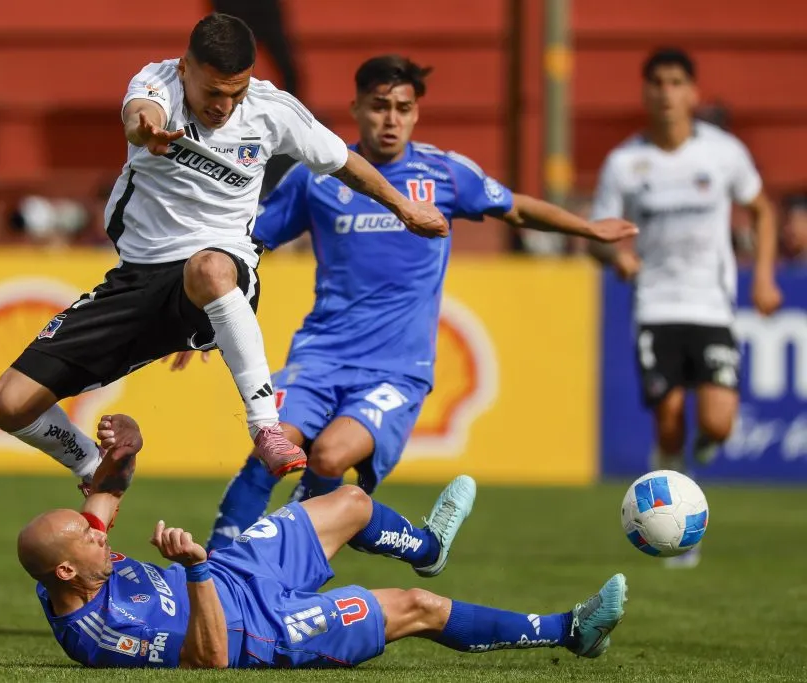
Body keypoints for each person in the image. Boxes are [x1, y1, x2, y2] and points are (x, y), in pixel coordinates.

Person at [158, 55, 636, 552]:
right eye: (379, 106)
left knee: (328, 458)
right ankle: (214, 575)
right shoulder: (318, 176)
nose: (391, 119)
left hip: (396, 369)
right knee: (270, 448)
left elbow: (513, 207)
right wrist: (207, 315)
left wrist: (588, 228)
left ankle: (285, 567)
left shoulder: (444, 173)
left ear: (416, 113)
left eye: (403, 108)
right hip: (319, 356)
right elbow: (252, 244)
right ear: (357, 108)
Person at [0, 15, 451, 489]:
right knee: (9, 403)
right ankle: (96, 467)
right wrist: (145, 130)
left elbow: (343, 161)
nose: (225, 106)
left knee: (208, 267)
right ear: (186, 70)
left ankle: (266, 425)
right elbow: (138, 113)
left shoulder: (274, 110)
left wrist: (404, 207)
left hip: (221, 269)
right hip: (136, 280)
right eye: (213, 93)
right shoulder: (157, 81)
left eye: (237, 92)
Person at [18, 414, 629, 669]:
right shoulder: (102, 631)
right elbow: (209, 662)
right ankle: (571, 631)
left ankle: (427, 549)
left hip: (236, 570)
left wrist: (125, 447)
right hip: (262, 629)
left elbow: (107, 492)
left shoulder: (74, 565)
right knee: (417, 609)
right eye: (87, 541)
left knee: (350, 502)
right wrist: (195, 569)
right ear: (67, 574)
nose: (100, 535)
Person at [590, 48, 783, 567]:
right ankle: (678, 528)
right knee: (670, 419)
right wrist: (617, 254)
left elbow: (763, 210)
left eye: (676, 82)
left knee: (718, 423)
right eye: (657, 82)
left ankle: (697, 459)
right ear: (646, 91)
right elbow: (597, 234)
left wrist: (762, 277)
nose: (667, 92)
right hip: (655, 307)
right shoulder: (626, 162)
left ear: (692, 92)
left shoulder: (723, 153)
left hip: (712, 306)